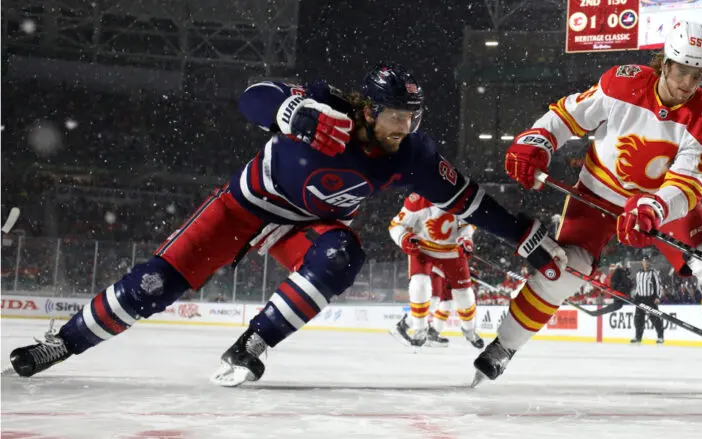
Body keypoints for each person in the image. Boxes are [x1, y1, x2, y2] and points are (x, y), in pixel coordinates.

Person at [8, 63, 564, 385]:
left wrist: (524, 236)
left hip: (308, 225)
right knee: (154, 286)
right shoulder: (325, 106)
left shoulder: (411, 155)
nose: (406, 127)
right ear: (369, 109)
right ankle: (64, 343)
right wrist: (289, 112)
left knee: (342, 257)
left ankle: (250, 346)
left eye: (413, 118)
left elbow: (469, 200)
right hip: (244, 206)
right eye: (398, 115)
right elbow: (253, 97)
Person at [476, 21, 702, 392]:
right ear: (664, 63)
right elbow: (565, 116)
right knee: (563, 270)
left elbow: (687, 186)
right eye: (681, 70)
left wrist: (652, 207)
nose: (687, 82)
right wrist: (537, 140)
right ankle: (502, 347)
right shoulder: (621, 83)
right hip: (597, 195)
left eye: (697, 74)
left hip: (659, 206)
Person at [387, 192, 484, 349]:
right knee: (420, 284)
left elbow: (468, 224)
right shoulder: (417, 199)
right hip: (423, 248)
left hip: (451, 250)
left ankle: (469, 329)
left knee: (464, 294)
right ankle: (419, 328)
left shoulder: (460, 195)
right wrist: (404, 237)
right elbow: (396, 226)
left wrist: (465, 238)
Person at [630, 258, 666, 344]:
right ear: (642, 263)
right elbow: (637, 285)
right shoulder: (638, 273)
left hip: (650, 299)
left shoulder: (653, 272)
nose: (645, 263)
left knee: (655, 318)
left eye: (646, 262)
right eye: (643, 262)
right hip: (640, 299)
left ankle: (660, 337)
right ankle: (638, 337)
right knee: (638, 319)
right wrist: (635, 296)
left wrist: (657, 297)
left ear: (649, 263)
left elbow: (658, 285)